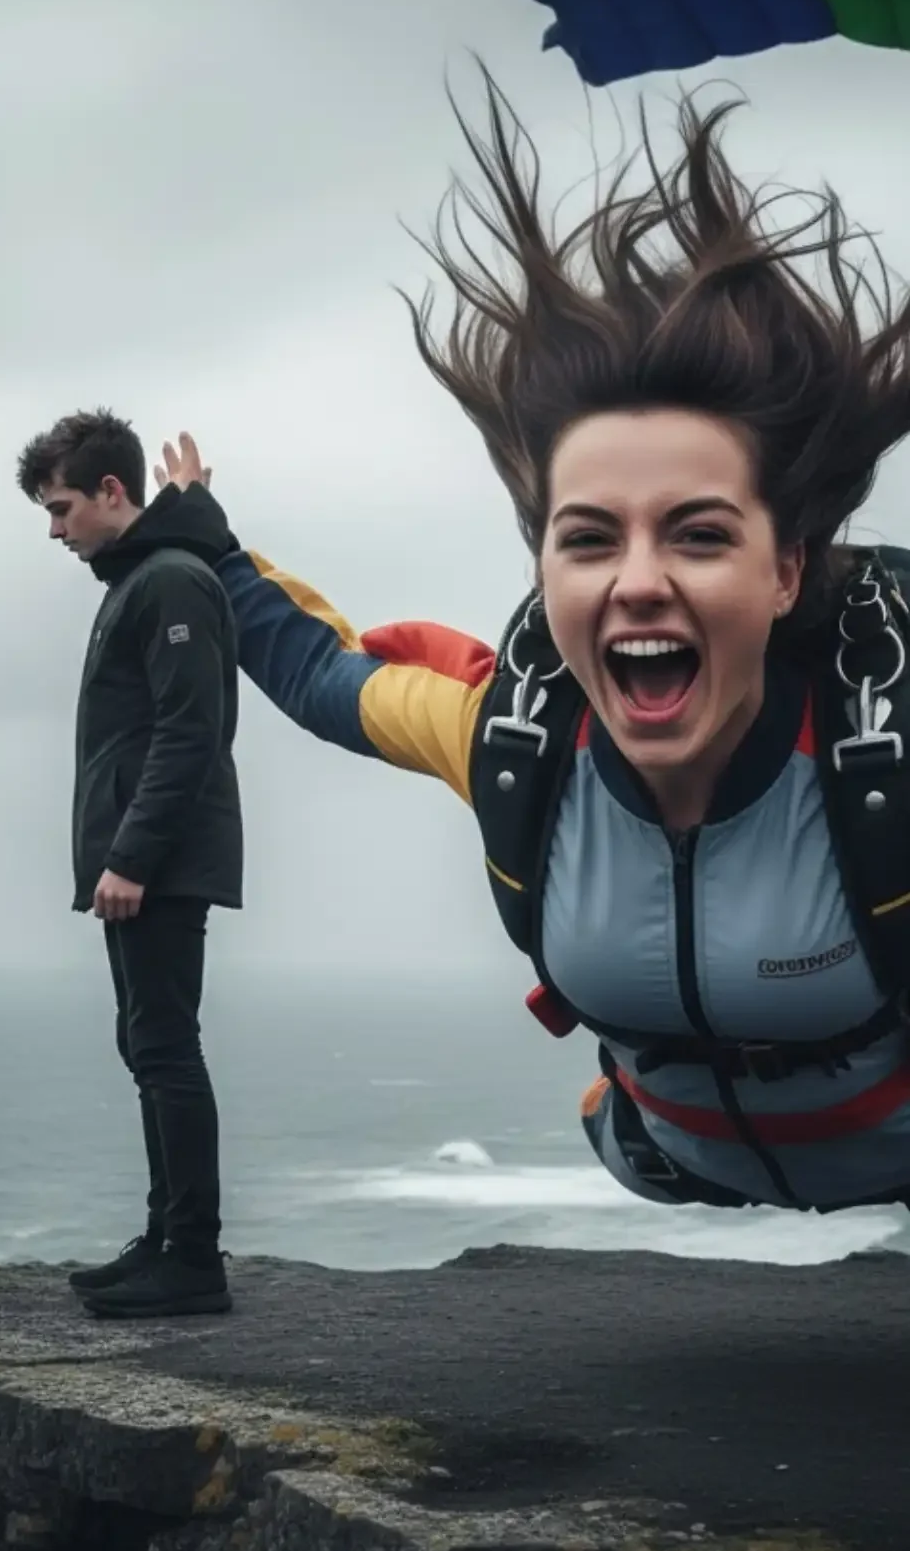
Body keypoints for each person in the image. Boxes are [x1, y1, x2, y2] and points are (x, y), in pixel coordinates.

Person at [161, 75, 910, 1217]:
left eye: (700, 536)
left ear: (787, 569)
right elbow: (324, 677)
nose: (640, 580)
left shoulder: (878, 755)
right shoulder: (516, 743)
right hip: (669, 1149)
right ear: (543, 570)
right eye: (589, 539)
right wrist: (206, 546)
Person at [16, 410, 241, 1317]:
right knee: (146, 1043)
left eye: (63, 507)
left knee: (164, 1046)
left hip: (159, 863)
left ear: (114, 492)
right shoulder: (146, 576)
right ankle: (163, 1237)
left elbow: (192, 733)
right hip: (145, 861)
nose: (54, 529)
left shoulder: (170, 582)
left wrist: (133, 857)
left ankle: (192, 1258)